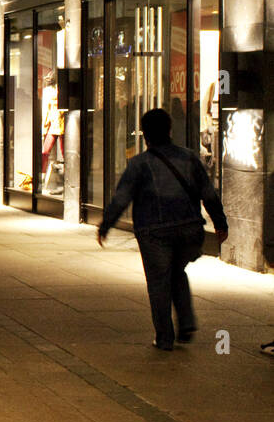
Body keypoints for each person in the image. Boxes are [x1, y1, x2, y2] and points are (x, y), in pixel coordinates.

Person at [97, 108, 228, 351]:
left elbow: (121, 198)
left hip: (155, 232)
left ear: (145, 135)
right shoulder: (189, 158)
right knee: (177, 271)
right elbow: (208, 193)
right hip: (190, 231)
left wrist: (106, 225)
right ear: (170, 130)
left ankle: (165, 336)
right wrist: (220, 223)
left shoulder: (139, 164)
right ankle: (186, 322)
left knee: (159, 281)